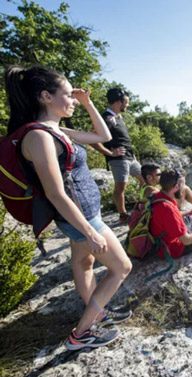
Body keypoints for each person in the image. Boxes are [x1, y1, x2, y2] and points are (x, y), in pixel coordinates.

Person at [5, 66, 132, 350]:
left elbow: (103, 137)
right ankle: (81, 334)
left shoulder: (56, 130)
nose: (73, 100)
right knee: (122, 267)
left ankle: (96, 313)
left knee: (84, 262)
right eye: (68, 94)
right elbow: (55, 192)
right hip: (79, 217)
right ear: (46, 97)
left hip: (82, 213)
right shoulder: (38, 137)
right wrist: (89, 231)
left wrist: (87, 102)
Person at [92, 88, 144, 223]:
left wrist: (133, 156)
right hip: (119, 159)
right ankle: (123, 215)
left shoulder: (118, 117)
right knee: (120, 187)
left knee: (145, 179)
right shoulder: (107, 118)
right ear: (118, 102)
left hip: (130, 157)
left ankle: (141, 207)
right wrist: (110, 153)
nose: (127, 105)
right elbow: (92, 139)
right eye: (126, 102)